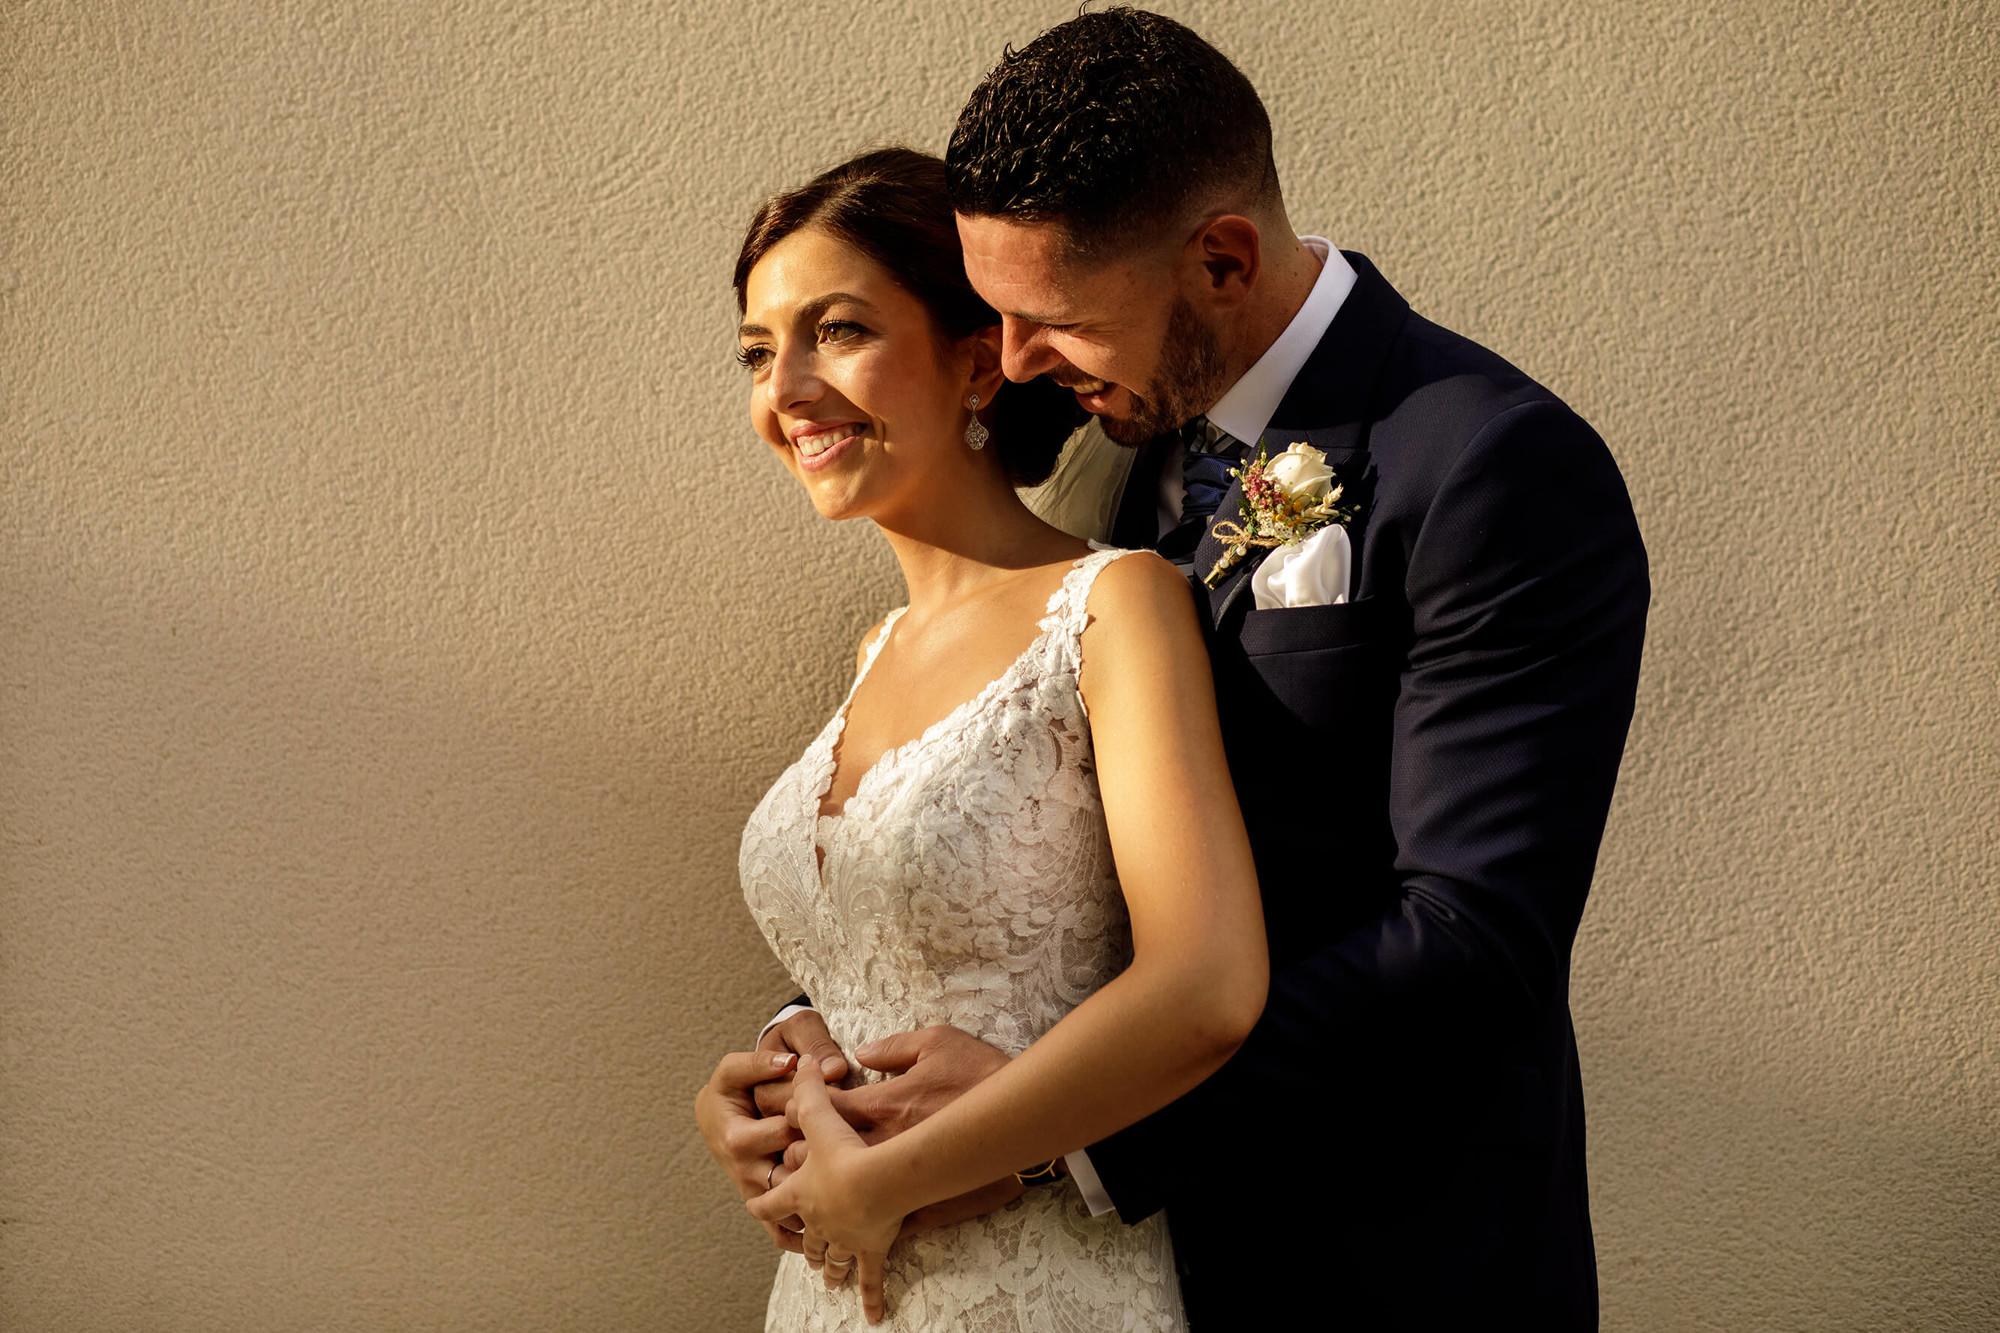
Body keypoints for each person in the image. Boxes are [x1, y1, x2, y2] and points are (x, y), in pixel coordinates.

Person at [732, 9, 1651, 1328]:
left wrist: (1049, 1133)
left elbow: (1470, 938)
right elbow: (1023, 839)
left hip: (1377, 1264)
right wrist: (805, 1048)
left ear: (1220, 259)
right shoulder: (1116, 456)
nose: (1013, 363)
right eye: (992, 318)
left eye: (1049, 321)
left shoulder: (1490, 465)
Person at [697, 145, 1269, 1329]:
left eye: (837, 331)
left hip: (1042, 1284)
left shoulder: (1112, 606)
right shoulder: (871, 654)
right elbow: (889, 953)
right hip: (837, 1293)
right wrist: (773, 1071)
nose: (785, 387)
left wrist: (887, 1179)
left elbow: (1206, 984)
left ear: (973, 357)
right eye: (758, 351)